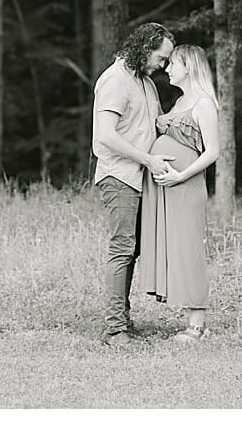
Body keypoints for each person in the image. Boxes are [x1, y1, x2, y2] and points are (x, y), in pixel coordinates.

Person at [91, 22, 176, 347]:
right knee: (122, 248)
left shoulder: (146, 83)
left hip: (141, 178)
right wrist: (148, 159)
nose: (163, 65)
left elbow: (158, 123)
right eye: (161, 57)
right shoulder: (114, 80)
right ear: (144, 48)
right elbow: (105, 135)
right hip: (119, 176)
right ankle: (114, 331)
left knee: (133, 249)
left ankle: (122, 320)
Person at [143, 43, 221, 342]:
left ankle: (197, 327)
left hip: (186, 186)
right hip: (170, 188)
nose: (167, 69)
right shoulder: (178, 102)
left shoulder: (204, 104)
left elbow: (212, 152)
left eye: (173, 63)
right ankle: (190, 317)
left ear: (188, 67)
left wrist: (180, 175)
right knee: (176, 249)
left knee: (189, 251)